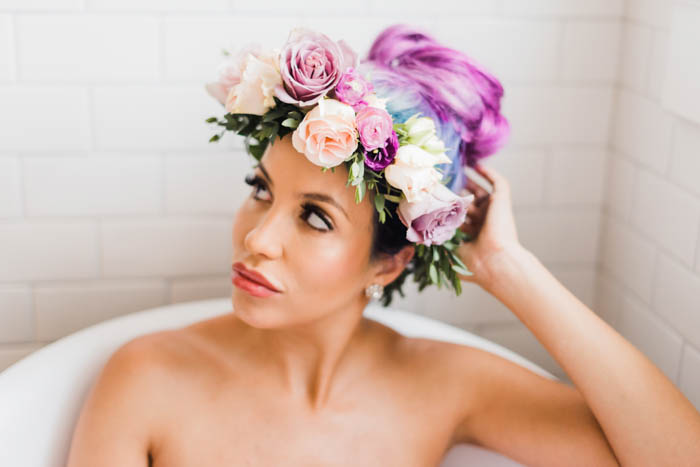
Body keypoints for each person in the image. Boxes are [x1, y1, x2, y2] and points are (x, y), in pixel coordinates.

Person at [66, 25, 700, 466]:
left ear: (393, 259)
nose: (257, 238)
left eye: (315, 219)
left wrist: (511, 269)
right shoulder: (146, 378)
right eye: (260, 189)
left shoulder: (443, 385)